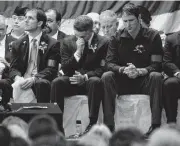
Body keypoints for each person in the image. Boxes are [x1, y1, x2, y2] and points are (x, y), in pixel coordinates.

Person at [101, 3, 163, 136]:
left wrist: (140, 71)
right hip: (123, 81)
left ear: (139, 18)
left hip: (144, 81)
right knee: (107, 75)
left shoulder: (153, 36)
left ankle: (156, 125)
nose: (128, 25)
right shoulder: (116, 37)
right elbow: (109, 63)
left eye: (131, 21)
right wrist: (123, 69)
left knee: (156, 76)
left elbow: (157, 64)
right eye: (125, 21)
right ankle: (109, 126)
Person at [50, 15, 109, 137]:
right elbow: (65, 68)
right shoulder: (67, 41)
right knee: (57, 82)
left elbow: (103, 68)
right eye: (76, 35)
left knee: (95, 81)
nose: (79, 39)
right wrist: (77, 53)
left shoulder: (103, 42)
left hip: (90, 81)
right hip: (72, 79)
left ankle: (92, 123)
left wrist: (85, 76)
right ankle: (57, 125)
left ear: (91, 31)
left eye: (82, 36)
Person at [0, 8, 60, 104]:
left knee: (41, 83)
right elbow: (13, 68)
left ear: (39, 23)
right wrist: (17, 78)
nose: (25, 20)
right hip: (22, 78)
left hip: (39, 79)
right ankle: (4, 116)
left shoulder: (52, 43)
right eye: (25, 17)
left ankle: (41, 117)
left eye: (30, 18)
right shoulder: (17, 43)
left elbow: (51, 69)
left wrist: (34, 79)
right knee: (0, 83)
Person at [163, 30, 180, 124]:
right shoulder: (171, 39)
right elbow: (166, 62)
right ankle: (171, 122)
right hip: (178, 78)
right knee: (169, 84)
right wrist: (177, 72)